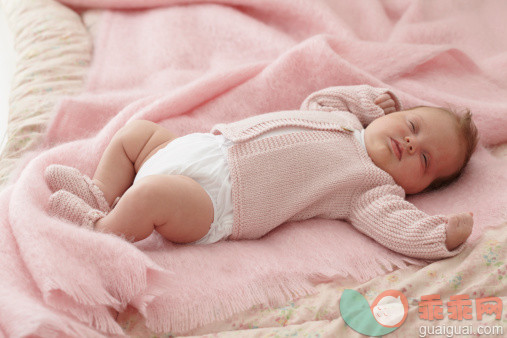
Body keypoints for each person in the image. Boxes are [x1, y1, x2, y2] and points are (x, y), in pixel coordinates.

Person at [45, 85, 478, 259]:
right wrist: (369, 100)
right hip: (202, 148)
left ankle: (101, 229)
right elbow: (323, 97)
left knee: (150, 195)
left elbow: (395, 225)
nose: (410, 143)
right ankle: (101, 192)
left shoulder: (371, 188)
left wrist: (439, 236)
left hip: (217, 200)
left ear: (418, 188)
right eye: (412, 126)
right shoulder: (342, 119)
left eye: (424, 160)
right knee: (136, 133)